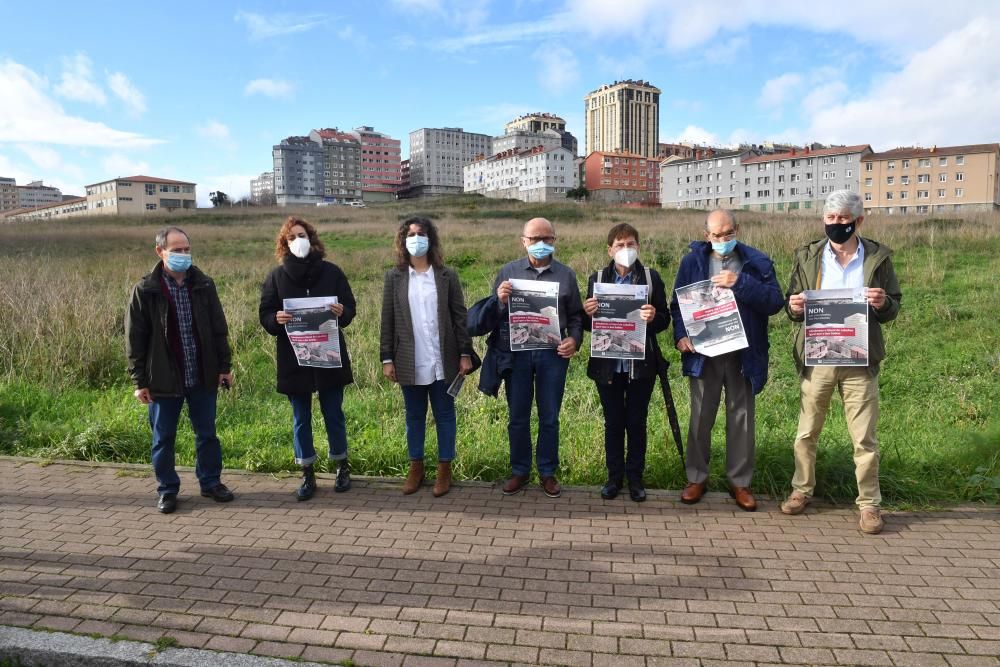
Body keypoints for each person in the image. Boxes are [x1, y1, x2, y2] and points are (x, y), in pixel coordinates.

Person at [781, 190, 901, 534]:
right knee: (806, 433)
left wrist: (882, 304)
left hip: (860, 359)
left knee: (864, 438)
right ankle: (801, 491)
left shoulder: (878, 257)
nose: (836, 225)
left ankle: (869, 506)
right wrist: (795, 307)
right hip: (818, 357)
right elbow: (792, 306)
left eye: (843, 219)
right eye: (830, 219)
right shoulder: (808, 256)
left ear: (858, 221)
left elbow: (894, 306)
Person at [670, 209, 784, 511]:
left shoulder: (756, 262)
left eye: (728, 233)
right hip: (704, 353)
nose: (722, 239)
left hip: (743, 353)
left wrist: (740, 282)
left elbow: (774, 302)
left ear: (738, 229)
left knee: (741, 418)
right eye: (716, 235)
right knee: (700, 418)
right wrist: (681, 336)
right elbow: (678, 305)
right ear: (706, 234)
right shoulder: (692, 261)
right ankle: (696, 478)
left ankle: (740, 483)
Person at [126, 226, 235, 514]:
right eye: (177, 250)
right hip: (163, 378)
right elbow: (135, 339)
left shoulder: (203, 284)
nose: (184, 255)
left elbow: (218, 329)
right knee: (163, 438)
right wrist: (139, 381)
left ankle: (211, 482)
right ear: (160, 252)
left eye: (187, 249)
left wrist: (224, 367)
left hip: (202, 374)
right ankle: (167, 490)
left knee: (207, 434)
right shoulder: (145, 290)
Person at [259, 216, 357, 501]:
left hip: (328, 354)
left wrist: (343, 312)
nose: (297, 241)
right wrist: (274, 319)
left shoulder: (332, 272)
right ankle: (307, 472)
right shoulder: (276, 277)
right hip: (294, 359)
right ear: (284, 244)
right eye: (291, 238)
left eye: (301, 235)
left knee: (334, 414)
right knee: (301, 418)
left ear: (312, 239)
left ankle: (341, 466)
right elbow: (265, 314)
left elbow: (350, 306)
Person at [380, 217, 474, 497]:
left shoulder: (447, 275)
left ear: (430, 239)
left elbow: (460, 317)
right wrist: (387, 358)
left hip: (442, 359)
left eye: (421, 234)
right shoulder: (394, 277)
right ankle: (416, 468)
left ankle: (444, 470)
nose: (416, 239)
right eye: (411, 234)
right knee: (414, 416)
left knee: (445, 415)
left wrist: (465, 353)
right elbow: (388, 320)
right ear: (403, 240)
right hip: (409, 358)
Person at [492, 217, 584, 498]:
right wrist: (499, 300)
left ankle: (547, 472)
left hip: (552, 356)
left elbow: (577, 316)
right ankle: (519, 470)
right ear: (523, 241)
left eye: (547, 238)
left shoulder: (566, 275)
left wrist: (574, 340)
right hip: (517, 356)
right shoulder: (507, 272)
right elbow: (492, 317)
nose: (541, 244)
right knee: (517, 416)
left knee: (549, 417)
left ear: (555, 241)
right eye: (535, 239)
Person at [583, 223, 670, 502]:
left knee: (636, 422)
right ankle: (613, 478)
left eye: (631, 244)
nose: (626, 250)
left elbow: (665, 320)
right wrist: (587, 313)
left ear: (638, 247)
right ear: (610, 249)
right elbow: (588, 324)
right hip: (607, 364)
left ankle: (635, 479)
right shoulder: (597, 278)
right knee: (613, 422)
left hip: (640, 366)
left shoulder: (651, 278)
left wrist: (653, 316)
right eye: (620, 245)